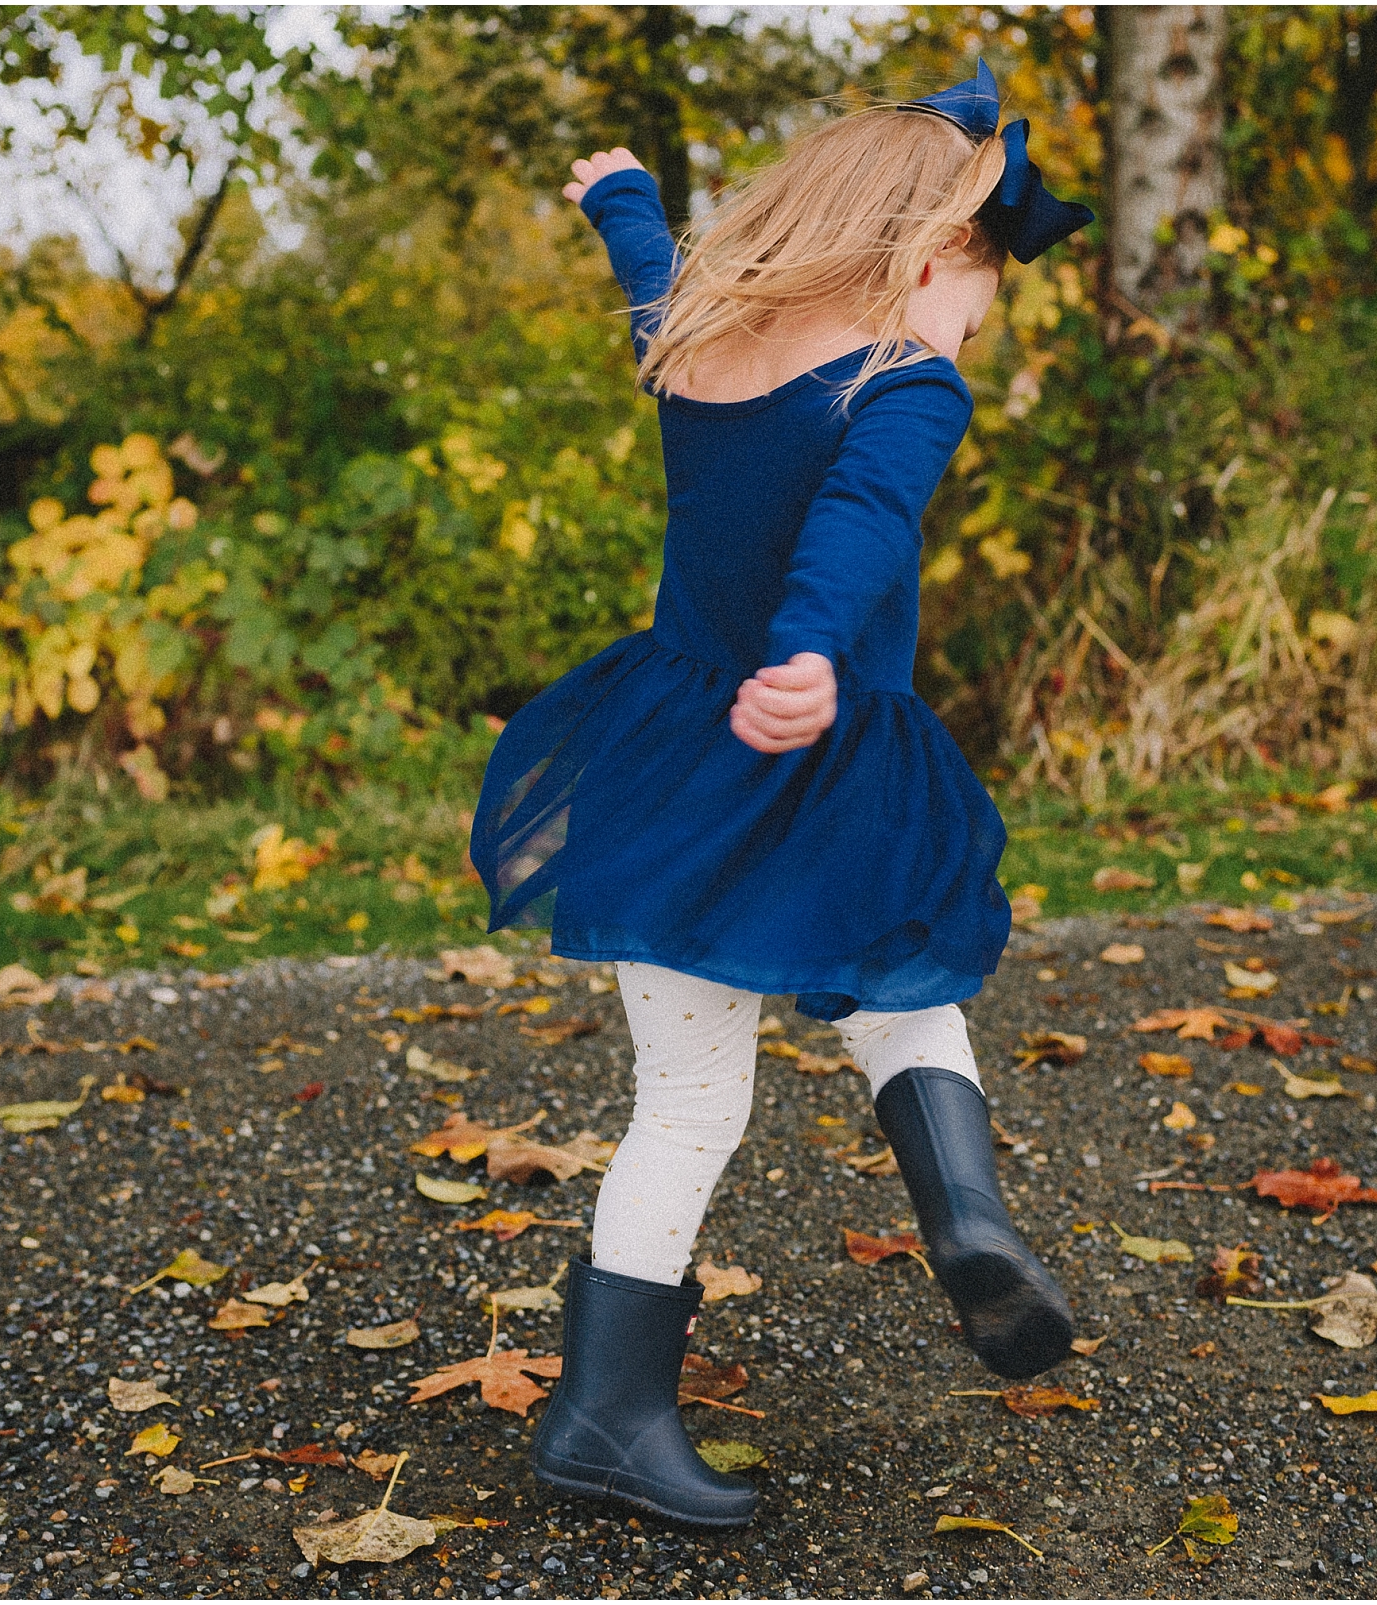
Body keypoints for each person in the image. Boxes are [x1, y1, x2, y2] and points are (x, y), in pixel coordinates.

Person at [467, 61, 1094, 1529]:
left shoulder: (694, 345)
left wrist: (623, 202)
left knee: (686, 1102)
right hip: (824, 754)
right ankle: (967, 1219)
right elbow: (863, 514)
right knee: (904, 986)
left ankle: (604, 1416)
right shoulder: (906, 380)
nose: (969, 341)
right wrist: (810, 648)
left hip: (674, 761)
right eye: (977, 310)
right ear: (934, 256)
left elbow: (651, 281)